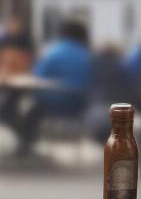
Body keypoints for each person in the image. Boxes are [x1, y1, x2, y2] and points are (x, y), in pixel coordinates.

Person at [12, 19, 92, 155]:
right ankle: (27, 143)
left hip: (53, 102)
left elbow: (37, 76)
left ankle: (25, 145)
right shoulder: (87, 56)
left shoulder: (54, 52)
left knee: (29, 110)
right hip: (79, 104)